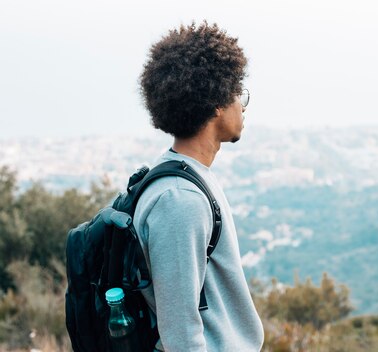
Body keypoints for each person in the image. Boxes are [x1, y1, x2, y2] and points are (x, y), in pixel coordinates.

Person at [133, 21, 264, 351]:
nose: (243, 104)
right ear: (218, 101)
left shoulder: (185, 179)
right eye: (237, 92)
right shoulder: (180, 200)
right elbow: (181, 333)